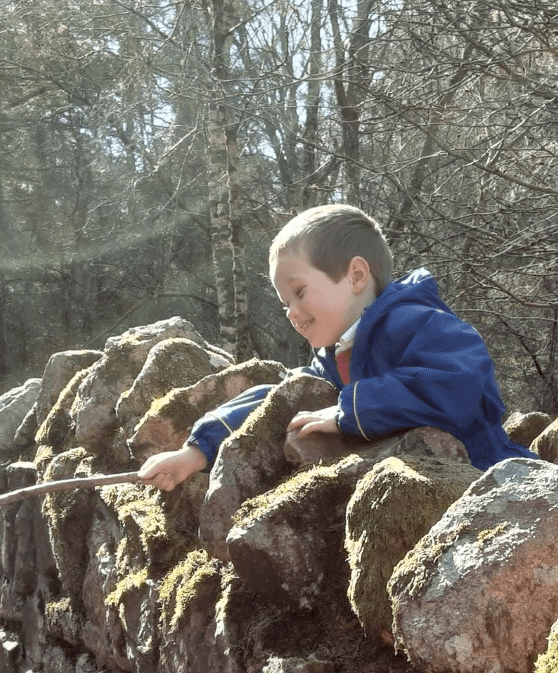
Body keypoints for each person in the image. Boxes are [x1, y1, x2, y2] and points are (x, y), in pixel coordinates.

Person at [138, 204, 535, 491]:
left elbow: (458, 383)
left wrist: (350, 409)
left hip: (492, 476)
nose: (291, 313)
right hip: (414, 494)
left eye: (299, 292)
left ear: (356, 275)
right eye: (284, 303)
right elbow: (279, 400)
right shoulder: (333, 358)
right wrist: (195, 452)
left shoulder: (414, 321)